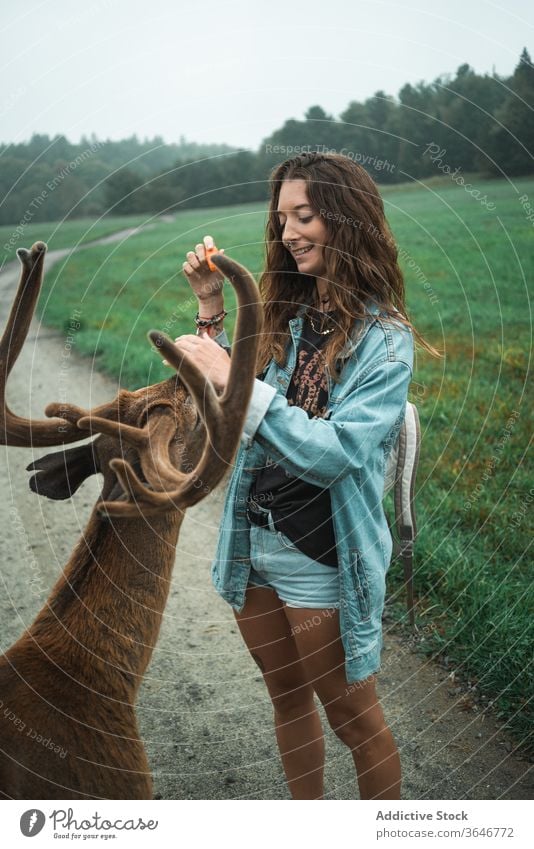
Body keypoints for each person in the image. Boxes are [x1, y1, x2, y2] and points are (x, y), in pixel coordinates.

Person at [172, 152, 438, 800]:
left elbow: (334, 452)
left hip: (320, 557)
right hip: (252, 543)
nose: (289, 231)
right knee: (287, 700)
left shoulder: (386, 341)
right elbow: (229, 412)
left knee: (355, 720)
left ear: (346, 221)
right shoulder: (285, 317)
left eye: (306, 215)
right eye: (282, 217)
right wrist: (210, 307)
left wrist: (232, 376)